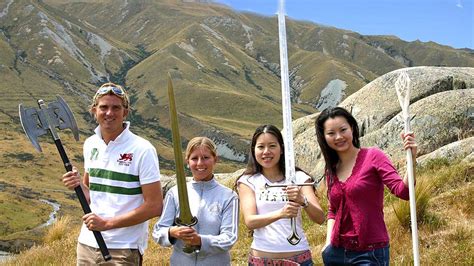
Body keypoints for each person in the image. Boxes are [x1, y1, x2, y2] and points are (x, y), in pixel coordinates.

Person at [62, 82, 163, 265]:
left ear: (125, 112)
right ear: (94, 111)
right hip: (87, 244)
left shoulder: (142, 149)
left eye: (116, 107)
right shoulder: (91, 144)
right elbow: (92, 195)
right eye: (104, 107)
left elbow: (154, 206)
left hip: (123, 247)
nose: (109, 113)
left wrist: (107, 224)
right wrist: (77, 184)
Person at [315, 107, 417, 265]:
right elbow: (333, 210)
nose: (338, 137)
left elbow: (403, 192)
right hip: (336, 253)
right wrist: (328, 243)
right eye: (331, 133)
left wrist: (412, 159)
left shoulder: (373, 156)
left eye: (343, 130)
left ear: (353, 129)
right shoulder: (331, 169)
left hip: (370, 252)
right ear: (324, 137)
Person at [237, 124, 325, 266]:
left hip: (298, 258)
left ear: (282, 149)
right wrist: (281, 213)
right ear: (253, 150)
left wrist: (302, 200)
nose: (266, 152)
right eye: (260, 147)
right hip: (261, 260)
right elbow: (250, 221)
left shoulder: (299, 178)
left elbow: (320, 218)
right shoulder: (248, 181)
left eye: (272, 146)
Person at [153, 137, 239, 266]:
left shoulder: (229, 196)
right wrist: (172, 232)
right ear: (187, 161)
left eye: (205, 157)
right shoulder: (175, 193)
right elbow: (158, 231)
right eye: (194, 158)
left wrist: (200, 241)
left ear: (215, 159)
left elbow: (229, 238)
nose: (200, 163)